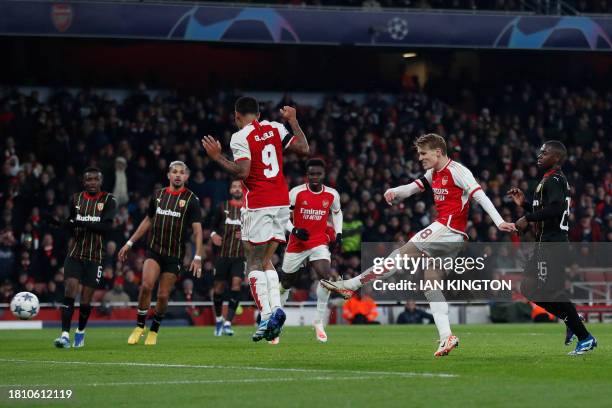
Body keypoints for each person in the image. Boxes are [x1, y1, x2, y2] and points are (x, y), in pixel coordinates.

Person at [323, 133, 516, 357]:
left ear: (438, 152)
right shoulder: (432, 173)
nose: (420, 158)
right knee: (430, 284)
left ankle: (353, 284)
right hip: (453, 237)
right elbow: (412, 188)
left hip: (447, 229)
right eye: (419, 154)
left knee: (399, 255)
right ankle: (447, 337)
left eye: (423, 153)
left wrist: (499, 221)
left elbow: (480, 195)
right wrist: (395, 191)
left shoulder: (458, 171)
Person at [201, 96, 309, 342]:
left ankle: (267, 314)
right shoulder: (275, 127)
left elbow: (243, 172)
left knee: (251, 262)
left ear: (236, 116)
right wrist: (293, 120)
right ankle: (274, 313)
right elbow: (304, 148)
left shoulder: (240, 137)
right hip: (282, 201)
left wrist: (217, 157)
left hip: (259, 203)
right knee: (266, 261)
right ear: (258, 114)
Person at [508, 140, 597, 355]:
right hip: (543, 244)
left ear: (556, 158)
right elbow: (548, 211)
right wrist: (526, 206)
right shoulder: (547, 180)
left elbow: (556, 209)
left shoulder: (556, 179)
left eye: (544, 153)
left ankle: (585, 337)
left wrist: (526, 217)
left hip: (553, 244)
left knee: (550, 291)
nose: (539, 155)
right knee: (528, 288)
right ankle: (571, 317)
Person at [118, 161, 203, 346]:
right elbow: (148, 220)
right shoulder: (158, 195)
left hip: (174, 256)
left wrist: (198, 256)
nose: (178, 175)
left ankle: (154, 330)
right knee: (146, 286)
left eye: (182, 172)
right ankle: (140, 326)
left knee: (163, 295)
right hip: (154, 250)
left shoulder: (191, 200)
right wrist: (129, 242)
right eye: (175, 172)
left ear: (187, 177)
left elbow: (197, 230)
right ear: (168, 175)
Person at [51, 167, 117, 348]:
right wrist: (60, 224)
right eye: (89, 179)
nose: (92, 182)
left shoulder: (109, 200)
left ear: (101, 181)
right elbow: (72, 223)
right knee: (70, 290)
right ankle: (64, 335)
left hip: (95, 257)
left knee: (86, 300)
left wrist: (80, 222)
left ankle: (80, 332)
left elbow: (106, 227)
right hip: (75, 254)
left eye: (96, 179)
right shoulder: (76, 199)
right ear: (84, 182)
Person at [279, 158, 342, 343]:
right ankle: (277, 322)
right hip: (297, 244)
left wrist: (338, 233)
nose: (315, 177)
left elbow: (337, 212)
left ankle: (318, 321)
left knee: (326, 276)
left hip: (318, 242)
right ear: (307, 175)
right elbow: (282, 215)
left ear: (324, 175)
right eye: (311, 174)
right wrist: (294, 230)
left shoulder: (332, 194)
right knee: (286, 283)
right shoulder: (296, 192)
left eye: (318, 174)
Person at [210, 180, 246, 336]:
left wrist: (246, 234)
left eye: (239, 187)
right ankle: (218, 319)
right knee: (218, 288)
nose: (237, 189)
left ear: (243, 190)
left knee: (236, 285)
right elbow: (211, 225)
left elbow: (256, 229)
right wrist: (213, 235)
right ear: (230, 190)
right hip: (223, 255)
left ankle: (228, 323)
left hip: (240, 256)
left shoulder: (249, 208)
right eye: (234, 187)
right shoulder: (221, 207)